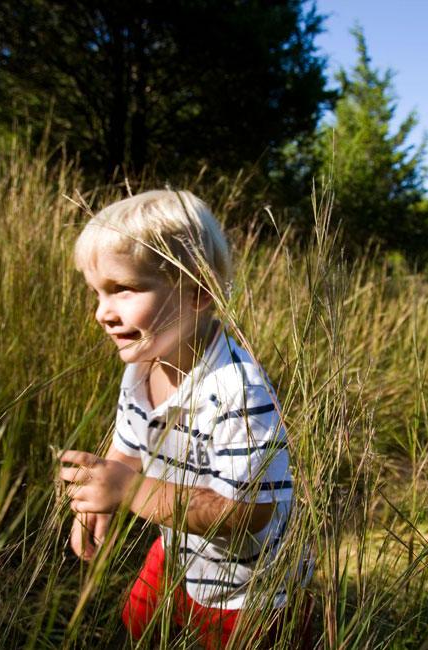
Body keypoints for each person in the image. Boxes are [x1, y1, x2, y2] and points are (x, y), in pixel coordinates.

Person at [58, 190, 299, 648]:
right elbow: (127, 449)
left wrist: (128, 491)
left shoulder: (237, 391)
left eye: (123, 289)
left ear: (198, 294)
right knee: (139, 624)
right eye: (97, 292)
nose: (102, 313)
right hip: (178, 550)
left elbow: (250, 512)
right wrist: (99, 500)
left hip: (246, 589)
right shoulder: (140, 367)